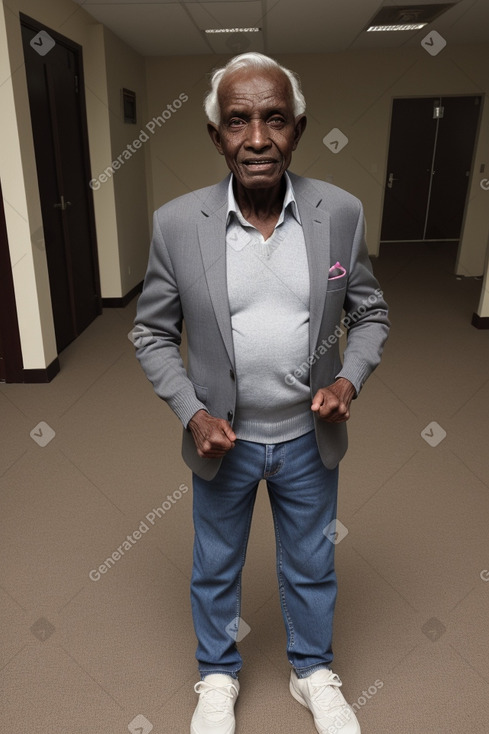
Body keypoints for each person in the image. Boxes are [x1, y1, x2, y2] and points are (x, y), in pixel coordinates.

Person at [133, 52, 389, 734]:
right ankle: (216, 674)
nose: (256, 138)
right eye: (238, 120)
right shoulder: (175, 225)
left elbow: (369, 312)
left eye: (273, 120)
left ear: (296, 130)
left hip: (308, 436)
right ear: (215, 134)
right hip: (225, 439)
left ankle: (312, 672)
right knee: (215, 564)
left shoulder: (340, 213)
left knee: (310, 561)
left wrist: (347, 378)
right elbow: (151, 332)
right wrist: (190, 412)